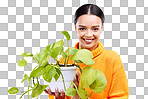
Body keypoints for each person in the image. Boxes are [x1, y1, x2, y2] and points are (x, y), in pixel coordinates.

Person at [45, 4, 129, 99]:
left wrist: (78, 97)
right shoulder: (65, 60)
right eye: (82, 28)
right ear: (75, 27)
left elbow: (121, 97)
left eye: (95, 29)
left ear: (101, 28)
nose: (89, 34)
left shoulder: (112, 59)